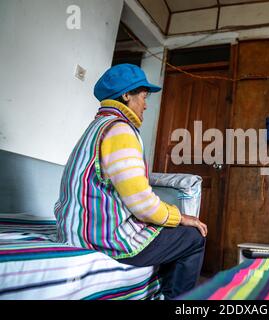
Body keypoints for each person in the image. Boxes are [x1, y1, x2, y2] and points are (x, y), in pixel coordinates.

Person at [54, 63, 207, 299]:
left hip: (73, 230)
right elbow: (142, 205)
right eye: (144, 97)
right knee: (193, 237)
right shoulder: (120, 131)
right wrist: (181, 217)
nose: (146, 104)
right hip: (101, 238)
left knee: (166, 232)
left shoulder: (96, 127)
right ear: (126, 95)